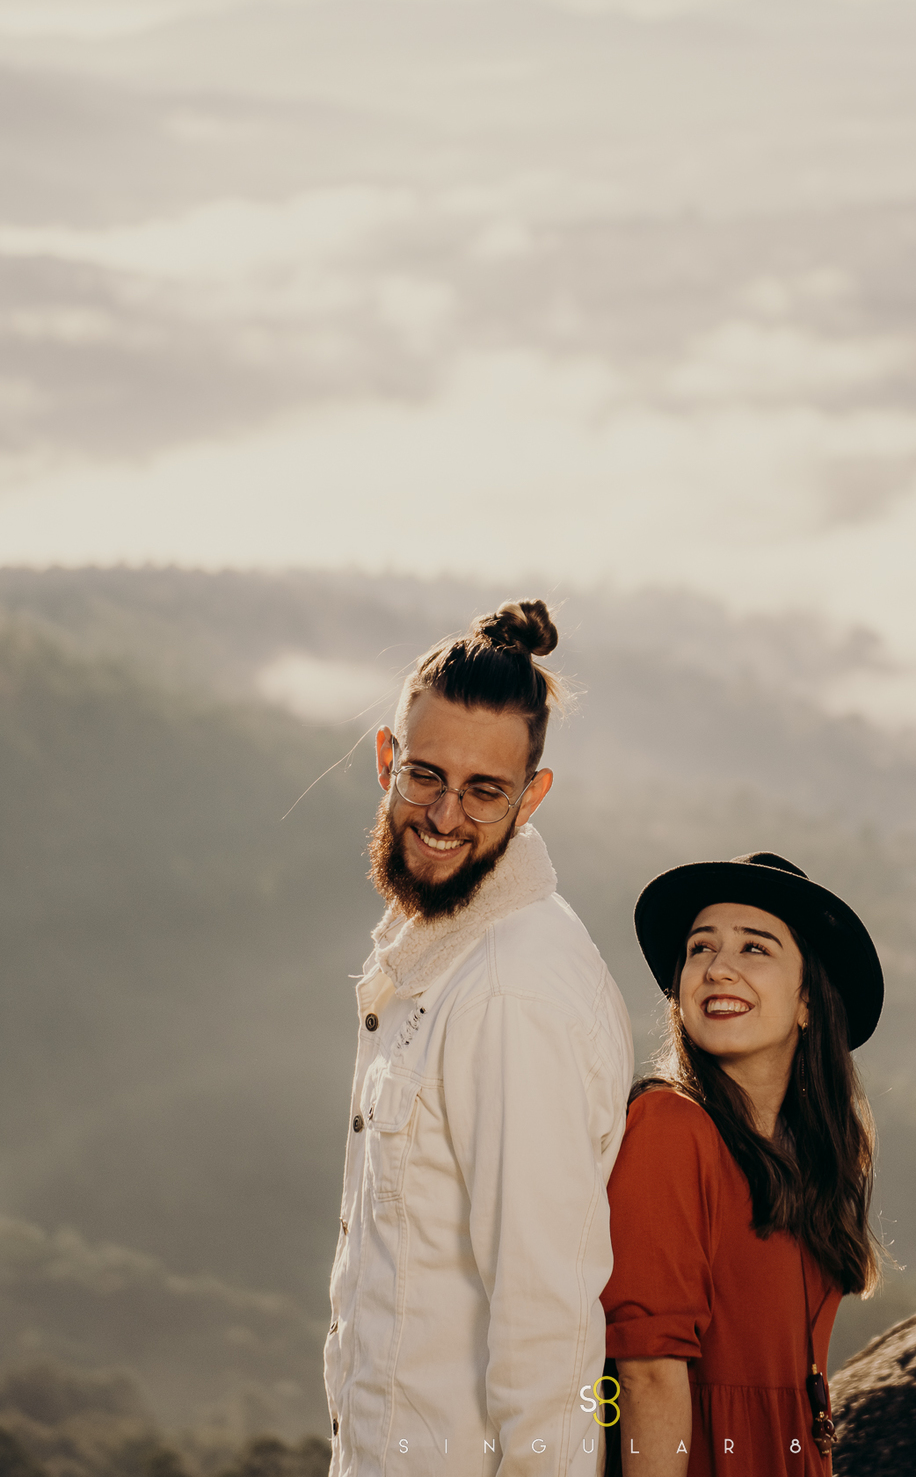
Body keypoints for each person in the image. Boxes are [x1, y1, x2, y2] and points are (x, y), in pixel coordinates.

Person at [325, 600, 634, 1477]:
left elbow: (551, 1335)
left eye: (485, 791)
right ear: (385, 760)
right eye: (424, 776)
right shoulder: (436, 949)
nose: (444, 816)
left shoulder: (511, 993)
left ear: (531, 798)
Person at [602, 851, 884, 1476]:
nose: (717, 968)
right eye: (700, 948)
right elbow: (648, 1374)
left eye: (754, 948)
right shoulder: (669, 1128)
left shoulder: (810, 1163)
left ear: (808, 1000)